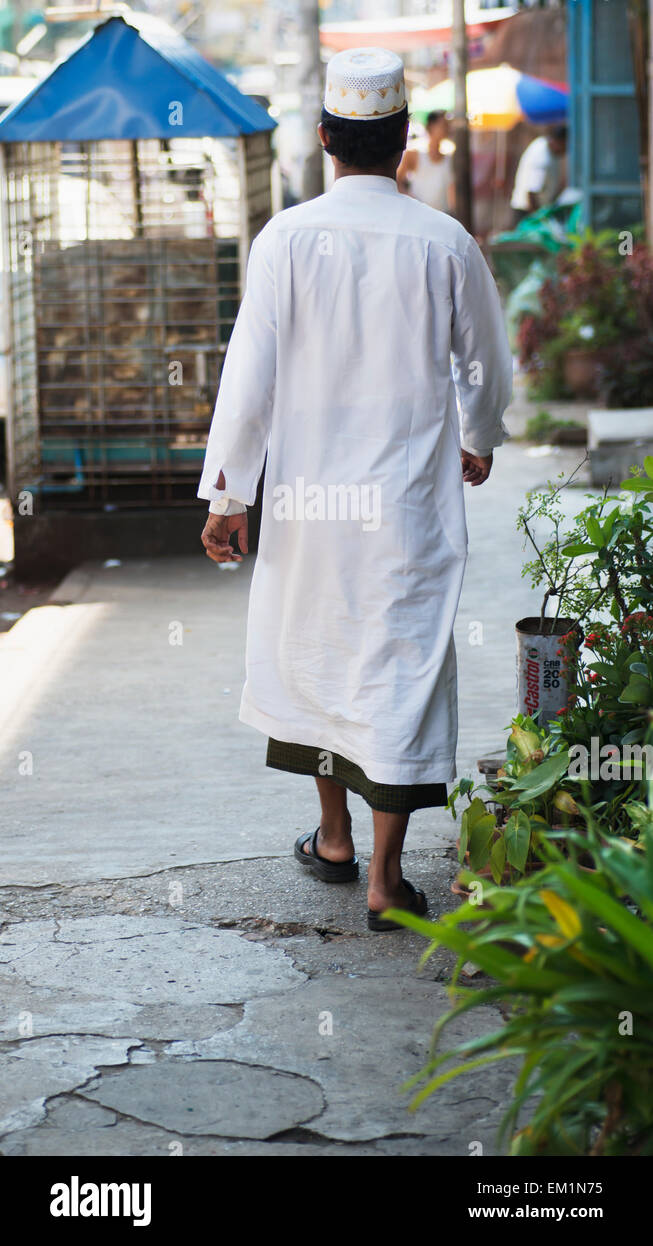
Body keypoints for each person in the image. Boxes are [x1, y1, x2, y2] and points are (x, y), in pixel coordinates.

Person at [198, 47, 512, 932]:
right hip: (403, 504)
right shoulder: (444, 241)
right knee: (396, 666)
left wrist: (229, 496)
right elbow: (485, 364)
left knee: (317, 653)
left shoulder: (285, 239)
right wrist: (477, 437)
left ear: (326, 137)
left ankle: (331, 836)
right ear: (403, 140)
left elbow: (247, 379)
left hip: (306, 503)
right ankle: (381, 875)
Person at [396, 109, 454, 212]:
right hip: (419, 214)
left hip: (442, 215)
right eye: (443, 124)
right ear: (431, 126)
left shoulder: (449, 158)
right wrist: (411, 200)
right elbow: (398, 181)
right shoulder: (415, 154)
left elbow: (451, 190)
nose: (447, 128)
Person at [510, 124, 567, 223]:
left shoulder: (542, 143)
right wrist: (539, 219)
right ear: (559, 142)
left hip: (533, 208)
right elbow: (531, 193)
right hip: (528, 211)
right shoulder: (542, 159)